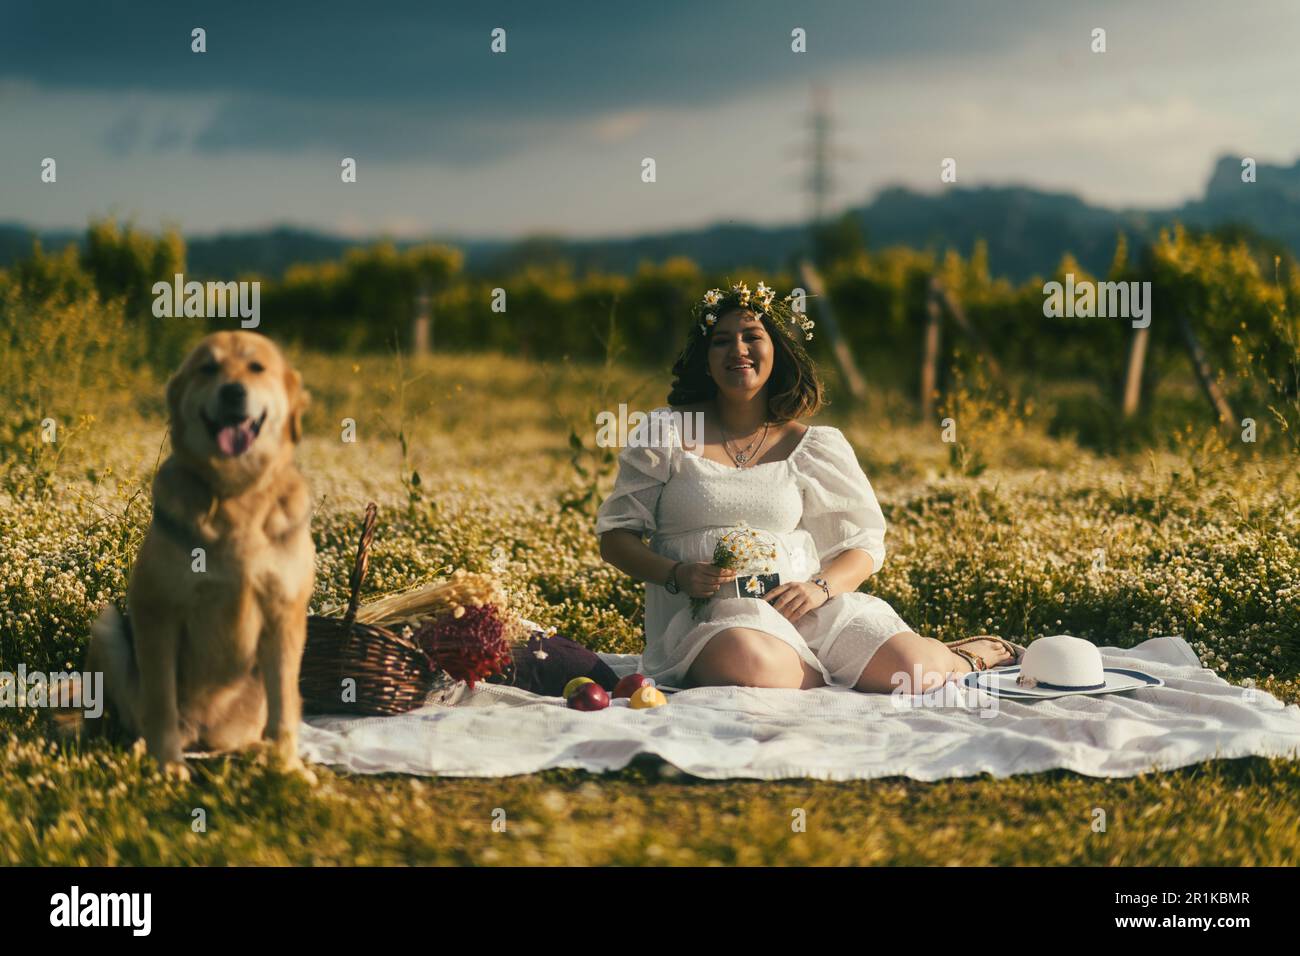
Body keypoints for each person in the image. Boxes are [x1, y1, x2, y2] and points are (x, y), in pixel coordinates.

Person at [595, 281, 1021, 693]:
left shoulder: (814, 445)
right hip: (708, 617)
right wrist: (676, 574)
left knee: (915, 671)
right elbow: (616, 537)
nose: (738, 350)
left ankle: (966, 656)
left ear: (777, 351)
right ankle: (835, 678)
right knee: (749, 661)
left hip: (803, 606)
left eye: (752, 336)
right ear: (704, 358)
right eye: (721, 340)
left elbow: (864, 544)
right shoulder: (666, 432)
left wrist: (819, 588)